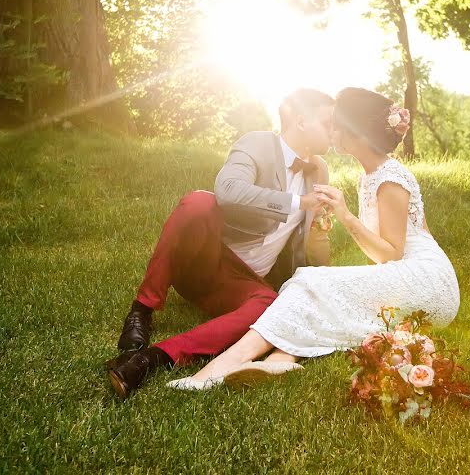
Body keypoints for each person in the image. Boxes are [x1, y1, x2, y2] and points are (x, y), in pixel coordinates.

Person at [166, 87, 460, 390]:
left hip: (427, 281)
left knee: (309, 281)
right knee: (315, 287)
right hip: (407, 276)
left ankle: (218, 369)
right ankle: (279, 360)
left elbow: (392, 255)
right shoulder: (371, 175)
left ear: (354, 130)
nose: (330, 131)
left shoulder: (390, 178)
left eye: (335, 124)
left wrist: (346, 217)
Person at [106, 89, 335, 398]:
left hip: (243, 281)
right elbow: (228, 190)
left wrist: (321, 232)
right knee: (199, 203)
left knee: (268, 303)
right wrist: (298, 201)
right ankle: (142, 310)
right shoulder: (257, 142)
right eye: (328, 123)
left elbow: (312, 249)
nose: (334, 131)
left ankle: (155, 357)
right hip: (206, 260)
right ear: (301, 121)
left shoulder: (320, 170)